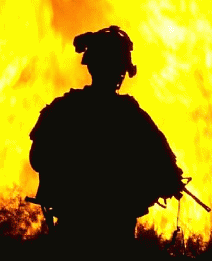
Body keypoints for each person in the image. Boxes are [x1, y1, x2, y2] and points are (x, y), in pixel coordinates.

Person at [29, 25, 184, 256]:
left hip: (71, 231)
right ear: (122, 69)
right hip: (115, 234)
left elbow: (37, 158)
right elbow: (167, 167)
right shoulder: (132, 117)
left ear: (91, 65)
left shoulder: (63, 109)